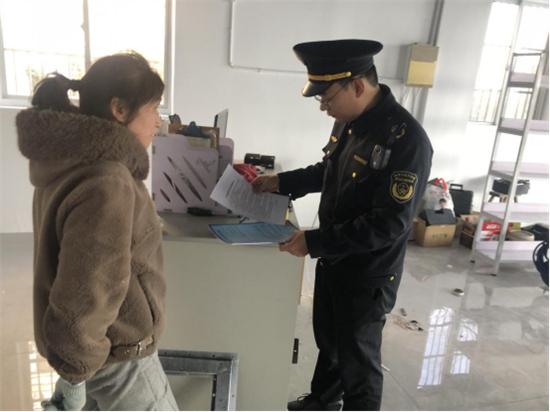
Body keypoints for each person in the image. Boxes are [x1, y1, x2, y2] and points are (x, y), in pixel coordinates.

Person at [252, 39, 433, 411]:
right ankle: (322, 400)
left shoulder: (406, 140)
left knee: (358, 359)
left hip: (368, 272)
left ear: (358, 86)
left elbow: (389, 223)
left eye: (327, 97)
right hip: (335, 257)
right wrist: (281, 182)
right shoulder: (349, 122)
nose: (323, 106)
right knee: (331, 341)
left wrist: (314, 241)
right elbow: (329, 170)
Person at [17, 52, 178, 411]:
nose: (158, 121)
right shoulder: (108, 180)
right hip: (119, 357)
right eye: (154, 108)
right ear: (119, 109)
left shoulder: (72, 164)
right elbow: (90, 285)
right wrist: (75, 372)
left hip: (94, 355)